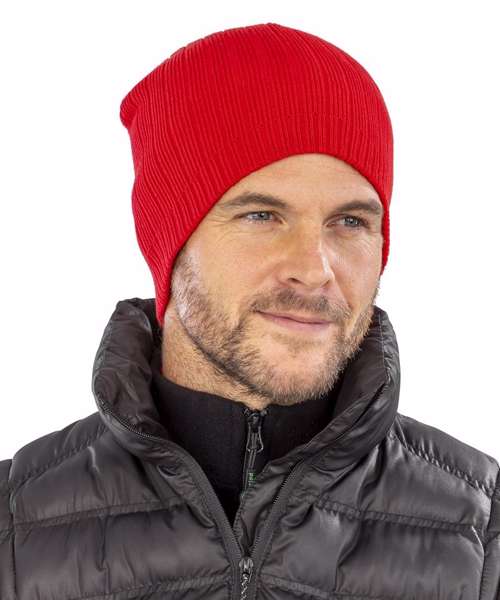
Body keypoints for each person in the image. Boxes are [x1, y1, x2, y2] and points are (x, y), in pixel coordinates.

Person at [1, 21, 498, 600]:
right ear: (170, 244)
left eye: (350, 221)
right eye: (261, 216)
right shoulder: (13, 532)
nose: (314, 269)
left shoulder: (482, 537)